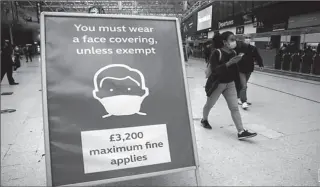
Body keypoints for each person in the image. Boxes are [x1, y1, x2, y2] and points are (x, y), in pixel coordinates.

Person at [201, 31, 257, 140]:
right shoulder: (216, 53)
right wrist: (229, 63)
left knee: (234, 108)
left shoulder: (234, 53)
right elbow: (215, 70)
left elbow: (235, 71)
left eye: (234, 39)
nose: (234, 42)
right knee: (209, 104)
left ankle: (241, 131)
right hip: (218, 84)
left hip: (230, 84)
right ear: (224, 42)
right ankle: (204, 119)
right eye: (231, 39)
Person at [235, 38, 263, 109]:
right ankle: (244, 101)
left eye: (249, 41)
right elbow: (234, 56)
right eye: (246, 41)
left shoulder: (253, 48)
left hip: (249, 69)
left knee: (242, 85)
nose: (247, 42)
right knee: (244, 86)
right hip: (240, 69)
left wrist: (261, 65)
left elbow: (257, 56)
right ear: (243, 41)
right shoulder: (239, 48)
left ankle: (239, 97)